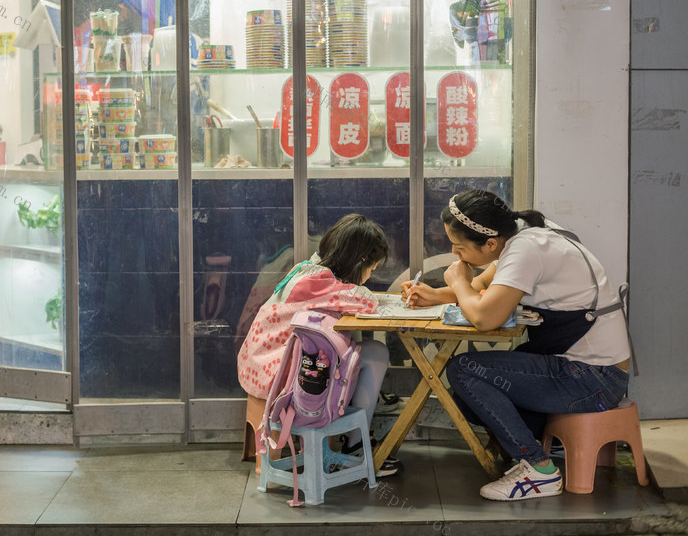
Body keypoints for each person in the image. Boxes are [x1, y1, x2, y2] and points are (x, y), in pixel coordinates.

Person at [403, 189, 631, 501]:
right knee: (476, 391)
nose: (457, 256)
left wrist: (457, 282)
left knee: (465, 369)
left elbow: (485, 317)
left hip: (593, 380)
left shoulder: (525, 251)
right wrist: (435, 294)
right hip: (595, 370)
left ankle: (539, 470)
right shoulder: (523, 230)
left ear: (490, 244)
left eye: (459, 248)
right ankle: (527, 452)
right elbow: (484, 287)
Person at [237, 214, 403, 477]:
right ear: (359, 261)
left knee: (352, 349)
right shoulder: (321, 284)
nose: (370, 277)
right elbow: (367, 301)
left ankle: (349, 443)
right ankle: (354, 444)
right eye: (372, 269)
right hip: (283, 378)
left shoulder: (306, 271)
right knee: (373, 353)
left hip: (259, 365)